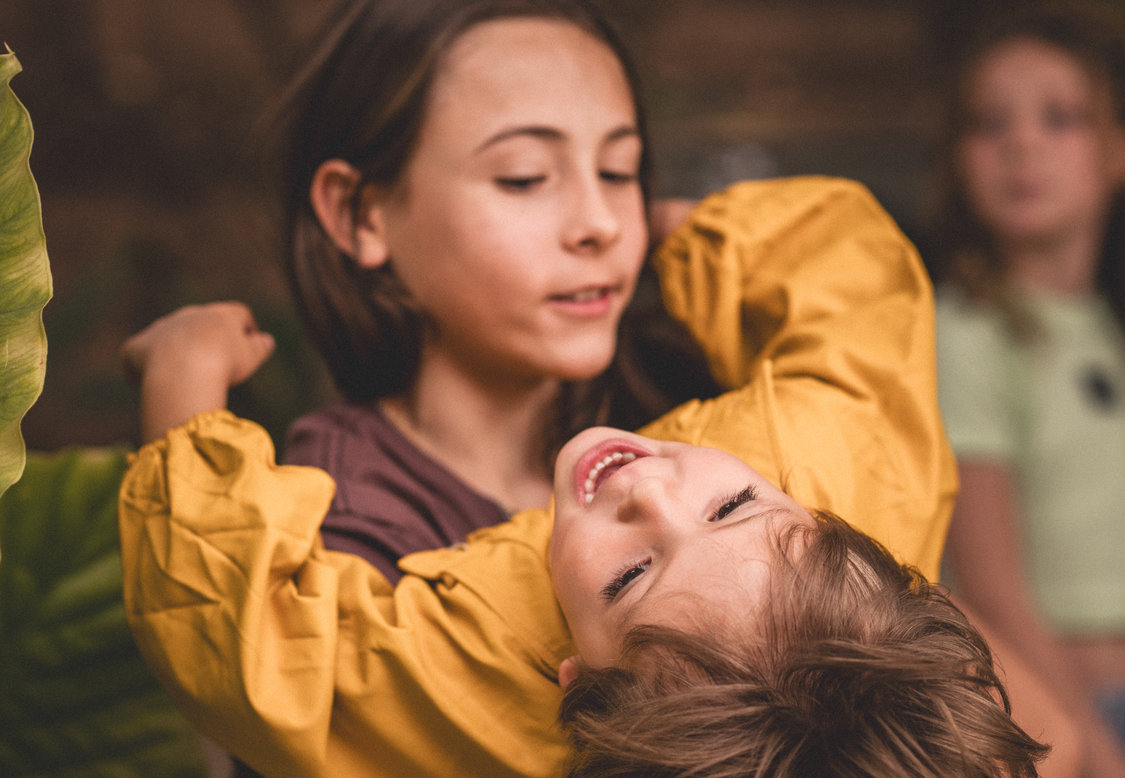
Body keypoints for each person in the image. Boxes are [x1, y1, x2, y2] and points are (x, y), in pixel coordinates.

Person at [120, 178, 1069, 777]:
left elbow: (247, 644)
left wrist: (184, 380)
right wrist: (692, 234)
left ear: (575, 687)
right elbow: (856, 285)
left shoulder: (479, 669)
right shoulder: (840, 451)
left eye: (628, 576)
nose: (648, 490)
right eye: (734, 502)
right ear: (829, 520)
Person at [264, 0, 718, 588]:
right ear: (359, 216)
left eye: (618, 170)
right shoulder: (344, 535)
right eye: (524, 178)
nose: (601, 224)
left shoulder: (695, 397)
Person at [928, 0, 1125, 778]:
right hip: (1045, 717)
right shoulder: (968, 331)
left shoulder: (1124, 329)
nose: (1021, 144)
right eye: (989, 122)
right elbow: (992, 590)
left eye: (1061, 117)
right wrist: (1098, 749)